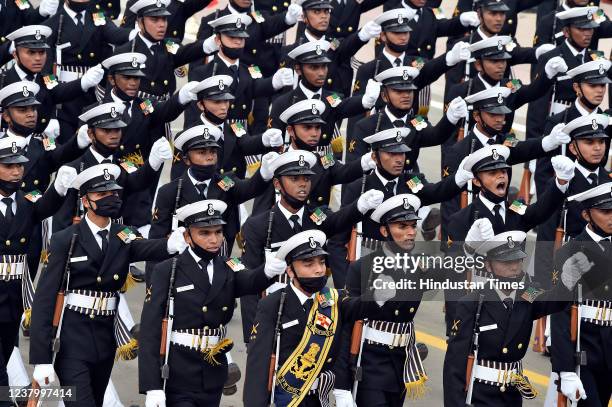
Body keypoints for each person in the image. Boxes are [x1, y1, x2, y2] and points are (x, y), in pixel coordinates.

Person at [29, 163, 188, 407]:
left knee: (96, 399)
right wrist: (41, 358)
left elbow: (145, 247)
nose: (110, 199)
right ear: (85, 201)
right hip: (72, 337)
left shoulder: (123, 234)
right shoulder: (66, 240)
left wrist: (170, 245)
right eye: (101, 194)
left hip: (105, 336)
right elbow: (44, 300)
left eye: (112, 193)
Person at [138, 199, 287, 407]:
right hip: (179, 372)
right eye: (205, 233)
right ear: (188, 237)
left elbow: (249, 282)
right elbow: (150, 330)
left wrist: (267, 271)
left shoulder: (228, 266)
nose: (214, 239)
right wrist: (152, 386)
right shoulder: (168, 270)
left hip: (213, 371)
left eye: (218, 232)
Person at [239, 148, 384, 344]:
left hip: (316, 311)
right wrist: (253, 336)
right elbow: (250, 286)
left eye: (306, 179)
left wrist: (360, 206)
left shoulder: (316, 216)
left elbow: (337, 221)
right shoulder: (258, 226)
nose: (302, 184)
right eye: (294, 179)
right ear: (277, 183)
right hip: (278, 312)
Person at [443, 227, 585, 406]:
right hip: (480, 393)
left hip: (511, 394)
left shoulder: (528, 293)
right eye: (505, 261)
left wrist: (567, 281)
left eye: (517, 260)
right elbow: (455, 362)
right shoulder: (473, 302)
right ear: (488, 265)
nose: (514, 267)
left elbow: (551, 300)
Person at [243, 229, 382, 406]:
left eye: (322, 262)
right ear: (290, 271)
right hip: (287, 399)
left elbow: (359, 307)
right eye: (308, 264)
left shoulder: (334, 298)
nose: (318, 270)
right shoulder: (273, 304)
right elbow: (258, 367)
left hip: (320, 398)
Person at [147, 124, 277, 283]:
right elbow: (156, 240)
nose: (209, 157)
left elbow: (247, 189)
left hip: (219, 263)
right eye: (202, 152)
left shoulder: (225, 182)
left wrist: (264, 173)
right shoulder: (171, 192)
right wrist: (153, 286)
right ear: (187, 159)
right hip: (185, 269)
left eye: (213, 152)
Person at [0, 136, 76, 407]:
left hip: (14, 297)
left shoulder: (25, 201)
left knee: (6, 349)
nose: (17, 171)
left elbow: (44, 208)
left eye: (19, 166)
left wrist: (58, 188)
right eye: (8, 166)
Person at [335, 193, 432, 406]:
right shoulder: (363, 267)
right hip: (370, 363)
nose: (409, 233)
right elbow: (345, 314)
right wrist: (373, 298)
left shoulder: (421, 266)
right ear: (384, 230)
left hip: (401, 362)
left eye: (412, 226)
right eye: (401, 227)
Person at [52, 102, 172, 233]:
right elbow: (61, 222)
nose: (114, 135)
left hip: (116, 238)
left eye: (117, 129)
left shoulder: (122, 164)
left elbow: (137, 182)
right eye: (107, 130)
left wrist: (153, 162)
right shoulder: (73, 168)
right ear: (91, 134)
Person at [253, 98, 376, 215]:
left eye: (317, 127)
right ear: (290, 131)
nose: (314, 133)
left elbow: (346, 172)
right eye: (307, 127)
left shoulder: (323, 161)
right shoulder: (275, 163)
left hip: (315, 228)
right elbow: (260, 212)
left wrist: (369, 159)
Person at [551, 182, 612, 406]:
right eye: (605, 212)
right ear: (587, 215)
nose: (611, 217)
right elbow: (559, 315)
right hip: (584, 350)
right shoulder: (570, 251)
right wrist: (565, 370)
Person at [42, 0, 136, 141]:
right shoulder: (54, 23)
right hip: (64, 97)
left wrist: (138, 34)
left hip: (91, 94)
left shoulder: (96, 16)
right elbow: (46, 75)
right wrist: (50, 115)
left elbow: (115, 34)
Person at [175, 74, 281, 179]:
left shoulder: (235, 126)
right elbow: (178, 177)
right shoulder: (187, 135)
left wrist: (265, 139)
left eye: (226, 100)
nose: (224, 107)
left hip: (234, 189)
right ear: (201, 105)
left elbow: (247, 143)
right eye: (217, 102)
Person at [2, 25, 100, 136]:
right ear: (15, 54)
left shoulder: (46, 77)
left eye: (42, 52)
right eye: (31, 52)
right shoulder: (3, 80)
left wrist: (84, 81)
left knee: (59, 151)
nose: (38, 58)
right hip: (9, 142)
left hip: (42, 139)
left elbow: (60, 91)